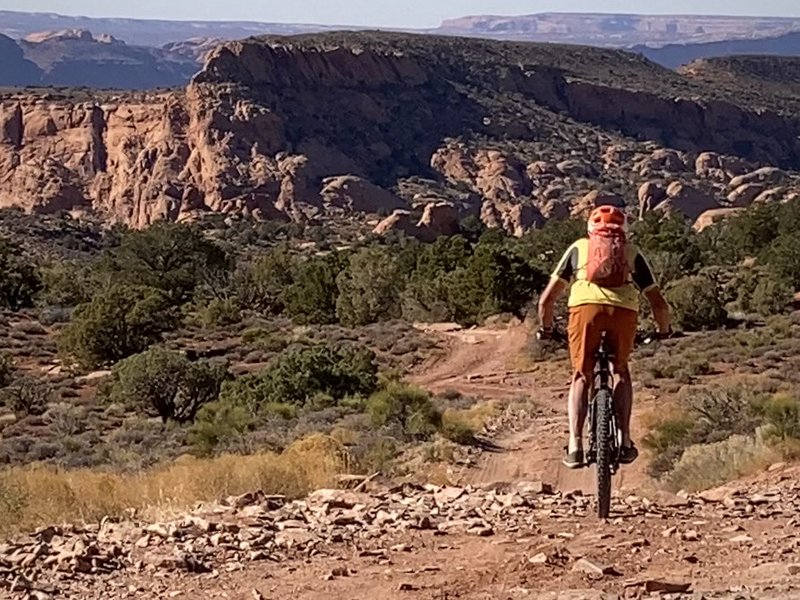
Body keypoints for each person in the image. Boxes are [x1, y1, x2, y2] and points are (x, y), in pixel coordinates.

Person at [536, 205, 672, 469]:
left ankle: (575, 445)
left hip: (585, 312)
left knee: (581, 375)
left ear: (590, 229)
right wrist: (663, 331)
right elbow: (659, 304)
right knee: (620, 370)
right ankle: (624, 439)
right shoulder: (631, 252)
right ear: (624, 230)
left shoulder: (578, 248)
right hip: (623, 313)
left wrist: (547, 329)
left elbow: (546, 301)